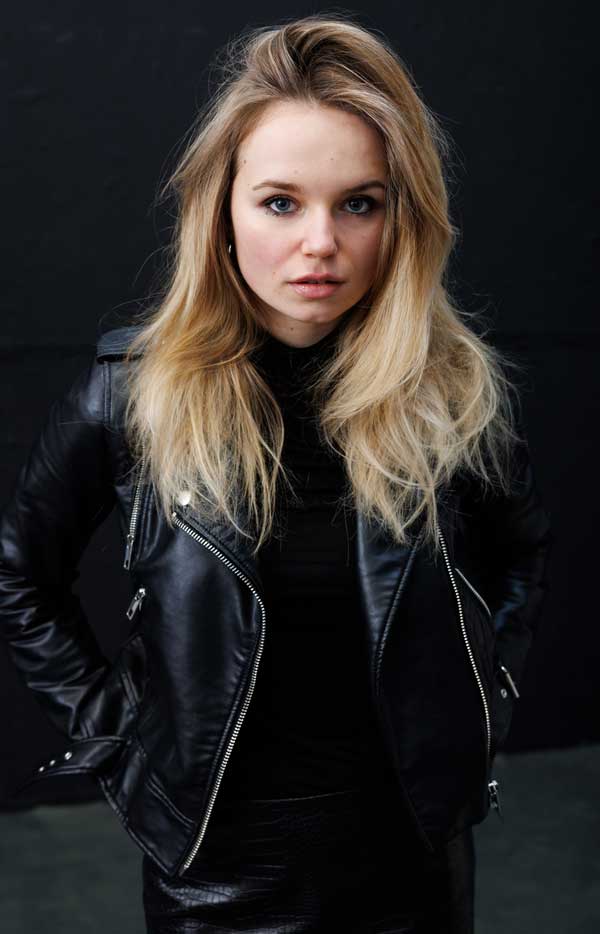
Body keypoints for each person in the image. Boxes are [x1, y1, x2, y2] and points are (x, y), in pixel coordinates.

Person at [0, 13, 553, 933]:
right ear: (221, 210)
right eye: (281, 202)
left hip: (412, 853)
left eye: (360, 203)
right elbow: (20, 570)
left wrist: (481, 707)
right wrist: (118, 734)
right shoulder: (133, 394)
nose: (320, 242)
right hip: (217, 869)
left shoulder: (451, 397)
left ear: (403, 219)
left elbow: (521, 555)